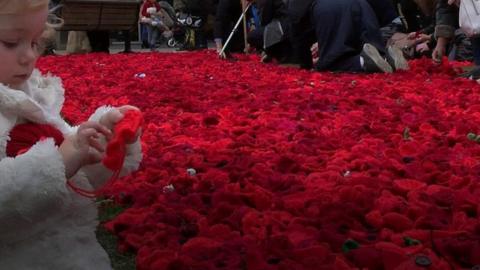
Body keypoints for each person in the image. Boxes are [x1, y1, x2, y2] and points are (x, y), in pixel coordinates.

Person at [0, 0, 143, 269]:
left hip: (70, 253)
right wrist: (58, 162)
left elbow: (76, 171)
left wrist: (101, 140)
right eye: (10, 42)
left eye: (34, 42)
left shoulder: (30, 96)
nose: (29, 56)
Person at [288, 0, 409, 73]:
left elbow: (298, 32)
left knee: (332, 63)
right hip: (364, 7)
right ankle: (388, 58)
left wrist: (306, 65)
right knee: (372, 50)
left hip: (333, 11)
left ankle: (362, 62)